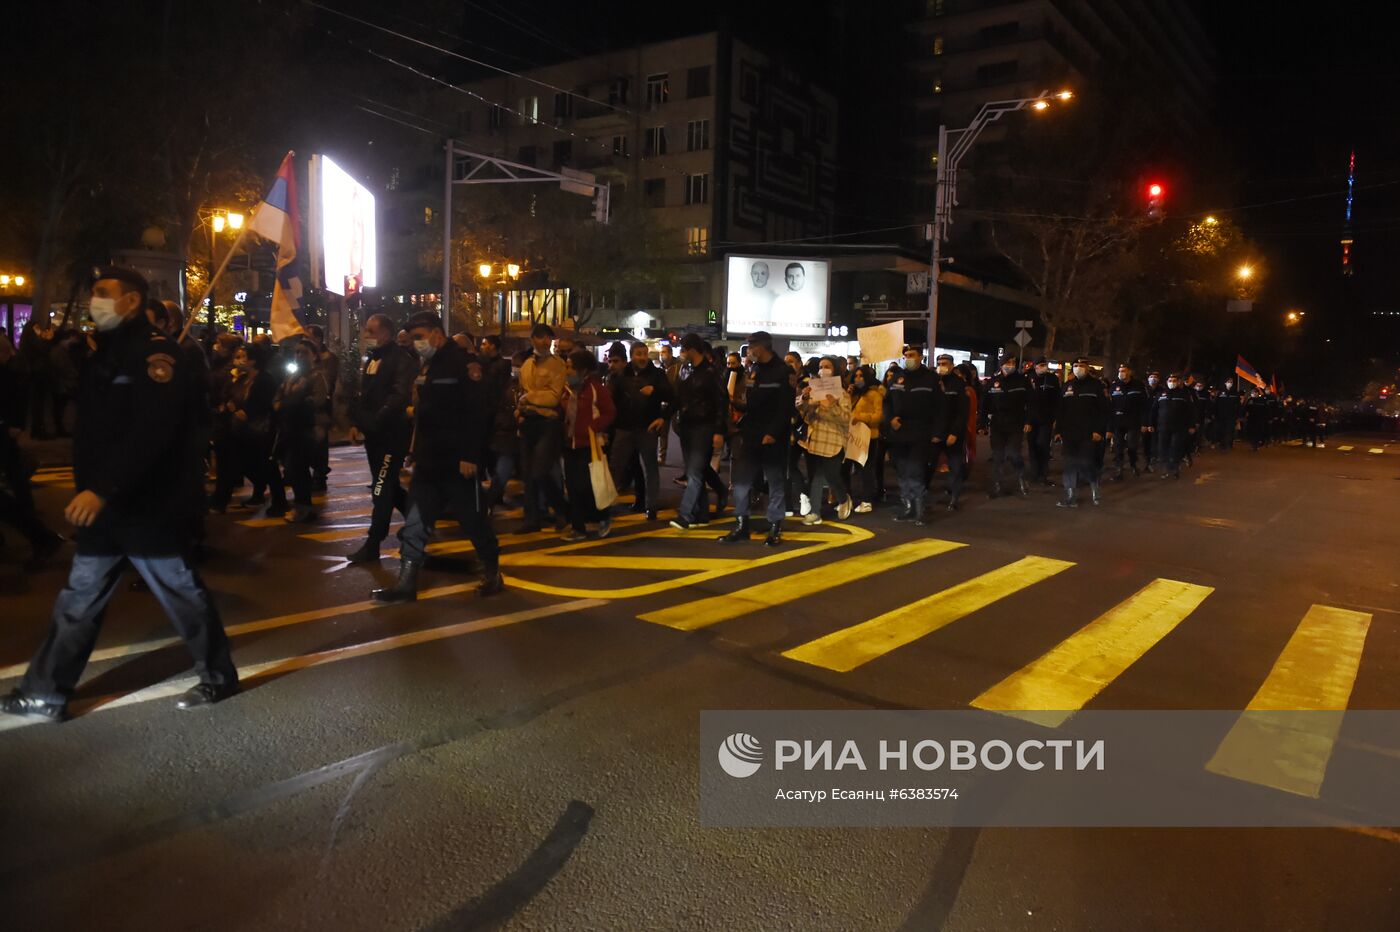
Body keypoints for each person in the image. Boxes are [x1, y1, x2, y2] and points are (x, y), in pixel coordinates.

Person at [2, 267, 238, 721]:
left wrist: (103, 490)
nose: (95, 301)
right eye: (94, 293)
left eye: (104, 294)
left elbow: (152, 432)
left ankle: (218, 675)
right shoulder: (107, 353)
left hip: (146, 505)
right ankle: (45, 692)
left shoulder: (155, 354)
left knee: (182, 594)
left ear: (132, 301)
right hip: (108, 509)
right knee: (78, 601)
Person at [372, 311, 502, 603]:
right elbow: (426, 415)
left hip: (458, 462)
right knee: (416, 521)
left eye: (419, 336)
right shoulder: (429, 365)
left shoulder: (464, 364)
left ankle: (492, 571)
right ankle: (406, 584)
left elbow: (478, 413)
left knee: (472, 520)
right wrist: (414, 451)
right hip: (430, 460)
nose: (416, 342)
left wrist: (470, 455)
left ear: (436, 333)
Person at [344, 315, 416, 562]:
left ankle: (374, 542)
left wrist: (376, 420)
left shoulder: (400, 360)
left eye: (371, 330)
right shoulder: (373, 359)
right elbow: (364, 395)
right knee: (385, 484)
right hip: (374, 434)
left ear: (385, 331)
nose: (366, 334)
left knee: (381, 488)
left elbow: (398, 396)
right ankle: (419, 518)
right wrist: (357, 423)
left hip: (391, 435)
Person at [718, 331, 793, 546]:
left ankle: (775, 527)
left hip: (772, 438)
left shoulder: (783, 371)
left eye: (751, 346)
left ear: (762, 346)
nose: (749, 350)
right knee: (741, 482)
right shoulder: (754, 370)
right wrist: (735, 403)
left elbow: (785, 408)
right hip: (751, 434)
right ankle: (742, 526)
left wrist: (773, 433)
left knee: (775, 481)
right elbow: (752, 404)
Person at [0, 332, 63, 569]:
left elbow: (16, 399)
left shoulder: (10, 373)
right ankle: (40, 536)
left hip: (4, 431)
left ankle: (41, 537)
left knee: (9, 487)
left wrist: (13, 424)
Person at [209, 342, 283, 514]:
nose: (238, 360)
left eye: (243, 357)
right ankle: (220, 500)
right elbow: (229, 399)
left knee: (265, 467)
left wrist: (245, 411)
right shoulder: (241, 379)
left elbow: (263, 405)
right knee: (231, 465)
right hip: (240, 431)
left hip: (259, 432)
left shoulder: (265, 379)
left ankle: (278, 500)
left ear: (253, 360)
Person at [608, 342, 672, 522]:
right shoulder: (621, 375)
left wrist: (660, 409)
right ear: (631, 355)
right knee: (615, 467)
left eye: (644, 353)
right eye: (638, 354)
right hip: (624, 428)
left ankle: (651, 507)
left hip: (647, 428)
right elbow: (611, 400)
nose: (642, 357)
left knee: (650, 468)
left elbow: (672, 397)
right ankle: (605, 507)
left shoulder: (657, 374)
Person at [517, 323, 569, 533]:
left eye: (548, 337)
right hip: (528, 421)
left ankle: (562, 509)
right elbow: (521, 393)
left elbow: (553, 397)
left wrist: (528, 398)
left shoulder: (557, 364)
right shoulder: (526, 365)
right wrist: (523, 405)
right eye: (540, 337)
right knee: (528, 474)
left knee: (540, 471)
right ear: (533, 340)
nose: (545, 341)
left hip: (548, 422)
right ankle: (532, 518)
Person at [559, 350, 616, 541]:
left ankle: (603, 517)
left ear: (582, 370)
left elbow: (609, 412)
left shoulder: (595, 388)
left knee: (590, 486)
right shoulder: (569, 389)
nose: (567, 371)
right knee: (573, 488)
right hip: (570, 444)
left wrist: (593, 427)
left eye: (570, 367)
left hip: (589, 445)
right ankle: (578, 528)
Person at [670, 333, 726, 530]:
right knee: (698, 471)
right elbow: (677, 397)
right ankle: (701, 515)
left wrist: (719, 431)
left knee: (694, 473)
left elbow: (721, 403)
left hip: (704, 427)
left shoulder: (711, 373)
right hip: (687, 426)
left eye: (684, 349)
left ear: (693, 349)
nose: (681, 353)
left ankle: (685, 515)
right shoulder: (685, 370)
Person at [884, 345, 939, 524]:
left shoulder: (931, 378)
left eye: (912, 355)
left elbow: (940, 407)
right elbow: (887, 403)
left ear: (920, 357)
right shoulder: (897, 378)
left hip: (920, 432)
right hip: (899, 433)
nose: (908, 358)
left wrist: (937, 432)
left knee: (915, 471)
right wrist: (890, 419)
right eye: (906, 355)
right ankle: (908, 506)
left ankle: (919, 509)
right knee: (902, 471)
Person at [796, 356, 852, 524]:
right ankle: (815, 512)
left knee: (832, 474)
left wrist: (833, 405)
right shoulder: (813, 389)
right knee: (815, 476)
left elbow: (845, 418)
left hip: (834, 440)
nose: (823, 369)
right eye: (821, 366)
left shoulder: (842, 393)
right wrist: (805, 399)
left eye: (827, 366)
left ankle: (843, 498)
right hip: (816, 438)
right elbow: (803, 411)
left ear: (834, 369)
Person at [1054, 357, 1108, 508]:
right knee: (1069, 464)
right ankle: (1070, 496)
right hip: (1069, 433)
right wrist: (1058, 431)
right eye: (1076, 365)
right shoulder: (1067, 386)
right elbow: (1061, 411)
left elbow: (1104, 411)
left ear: (1087, 367)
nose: (1079, 368)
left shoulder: (1097, 386)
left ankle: (1094, 484)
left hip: (1089, 433)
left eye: (1082, 365)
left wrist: (1099, 431)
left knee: (1085, 462)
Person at [978, 355, 1030, 498]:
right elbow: (984, 405)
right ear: (1001, 365)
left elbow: (1031, 403)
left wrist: (1028, 421)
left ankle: (1021, 476)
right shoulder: (993, 382)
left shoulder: (1022, 381)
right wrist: (982, 424)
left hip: (1016, 424)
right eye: (1008, 362)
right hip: (998, 425)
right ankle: (997, 485)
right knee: (998, 456)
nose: (1010, 365)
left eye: (1013, 363)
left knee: (1014, 454)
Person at [933, 354, 972, 511]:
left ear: (952, 365)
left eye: (944, 363)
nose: (941, 366)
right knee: (928, 464)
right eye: (939, 363)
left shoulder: (959, 385)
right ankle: (921, 496)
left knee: (955, 465)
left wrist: (954, 433)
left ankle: (954, 497)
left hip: (953, 434)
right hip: (936, 433)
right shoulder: (934, 382)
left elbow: (963, 413)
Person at [847, 365, 885, 513]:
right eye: (855, 376)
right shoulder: (854, 394)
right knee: (849, 467)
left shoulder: (874, 394)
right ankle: (847, 498)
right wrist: (849, 395)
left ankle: (867, 500)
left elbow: (879, 416)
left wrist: (862, 418)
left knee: (866, 469)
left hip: (869, 435)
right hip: (852, 435)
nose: (858, 379)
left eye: (861, 376)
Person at [1107, 362, 1148, 481]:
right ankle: (1119, 470)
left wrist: (1144, 422)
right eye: (1120, 371)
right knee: (1118, 447)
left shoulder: (1138, 385)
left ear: (1129, 372)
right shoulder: (1115, 386)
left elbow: (1145, 405)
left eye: (1124, 370)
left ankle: (1133, 463)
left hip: (1133, 421)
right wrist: (1110, 427)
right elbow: (1111, 406)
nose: (1121, 373)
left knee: (1132, 445)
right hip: (1118, 421)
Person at [1150, 373, 1195, 478]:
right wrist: (1151, 424)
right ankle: (1165, 468)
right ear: (1166, 382)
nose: (1172, 383)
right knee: (1163, 448)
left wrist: (1191, 425)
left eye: (1174, 380)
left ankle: (1175, 468)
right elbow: (1153, 410)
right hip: (1163, 427)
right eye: (1170, 380)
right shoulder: (1161, 394)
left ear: (1179, 382)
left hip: (1179, 428)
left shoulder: (1184, 395)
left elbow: (1191, 411)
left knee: (1175, 448)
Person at [1026, 357, 1060, 486]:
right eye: (1041, 365)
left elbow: (1057, 400)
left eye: (1044, 364)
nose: (1043, 367)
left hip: (1046, 419)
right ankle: (1034, 473)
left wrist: (1056, 417)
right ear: (1035, 366)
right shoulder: (1028, 378)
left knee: (1043, 444)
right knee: (1032, 445)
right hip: (1031, 419)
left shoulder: (1052, 379)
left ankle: (1043, 473)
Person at [657, 343, 680, 466]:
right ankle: (662, 457)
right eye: (661, 353)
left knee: (678, 429)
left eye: (664, 352)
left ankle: (687, 454)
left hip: (675, 403)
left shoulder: (678, 367)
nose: (662, 355)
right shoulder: (660, 368)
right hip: (664, 404)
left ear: (670, 354)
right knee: (662, 431)